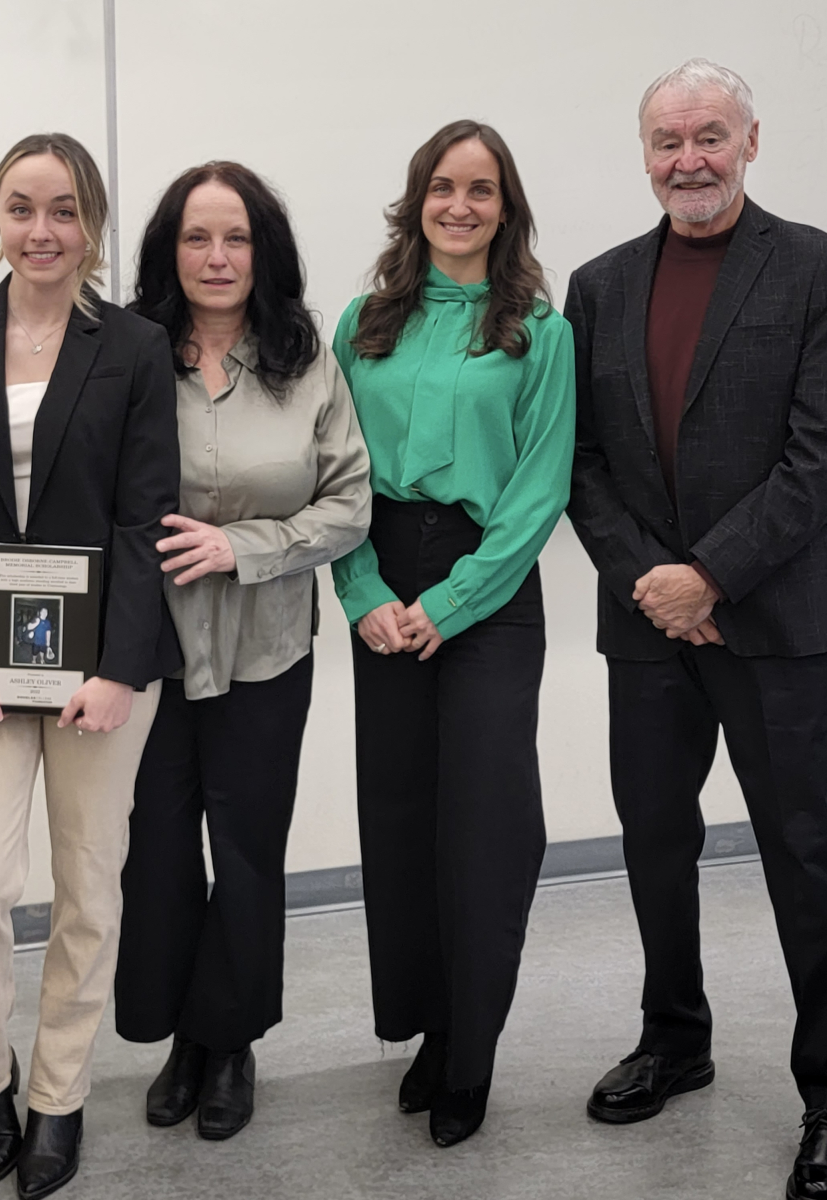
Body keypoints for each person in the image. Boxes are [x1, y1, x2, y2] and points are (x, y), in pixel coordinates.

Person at [564, 58, 827, 1200]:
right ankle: (676, 1037)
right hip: (648, 633)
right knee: (655, 842)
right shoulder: (599, 285)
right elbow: (577, 462)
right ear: (644, 154)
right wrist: (654, 583)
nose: (690, 159)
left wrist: (710, 577)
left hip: (778, 625)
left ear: (752, 140)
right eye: (669, 140)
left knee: (809, 858)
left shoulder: (821, 269)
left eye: (710, 136)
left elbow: (821, 459)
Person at [0, 133, 179, 1199]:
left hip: (99, 675)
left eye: (63, 210)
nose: (42, 231)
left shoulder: (135, 347)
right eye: (21, 208)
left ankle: (57, 1097)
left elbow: (144, 513)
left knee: (87, 891)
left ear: (92, 223)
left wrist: (120, 666)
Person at [113, 162, 371, 1139]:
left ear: (263, 250)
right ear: (167, 251)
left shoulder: (306, 360)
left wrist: (245, 546)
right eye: (196, 237)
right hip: (151, 652)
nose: (216, 257)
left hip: (268, 647)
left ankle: (230, 1044)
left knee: (250, 851)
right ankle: (182, 1031)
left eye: (237, 238)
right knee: (163, 855)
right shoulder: (129, 355)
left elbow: (349, 505)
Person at [331, 121, 574, 1148]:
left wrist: (451, 604)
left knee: (484, 825)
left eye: (481, 190)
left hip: (488, 589)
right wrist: (362, 591)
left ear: (505, 206)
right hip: (383, 579)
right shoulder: (362, 322)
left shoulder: (539, 331)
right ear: (416, 201)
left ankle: (471, 1051)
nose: (460, 206)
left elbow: (540, 488)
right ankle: (431, 1028)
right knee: (400, 822)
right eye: (442, 187)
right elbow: (330, 470)